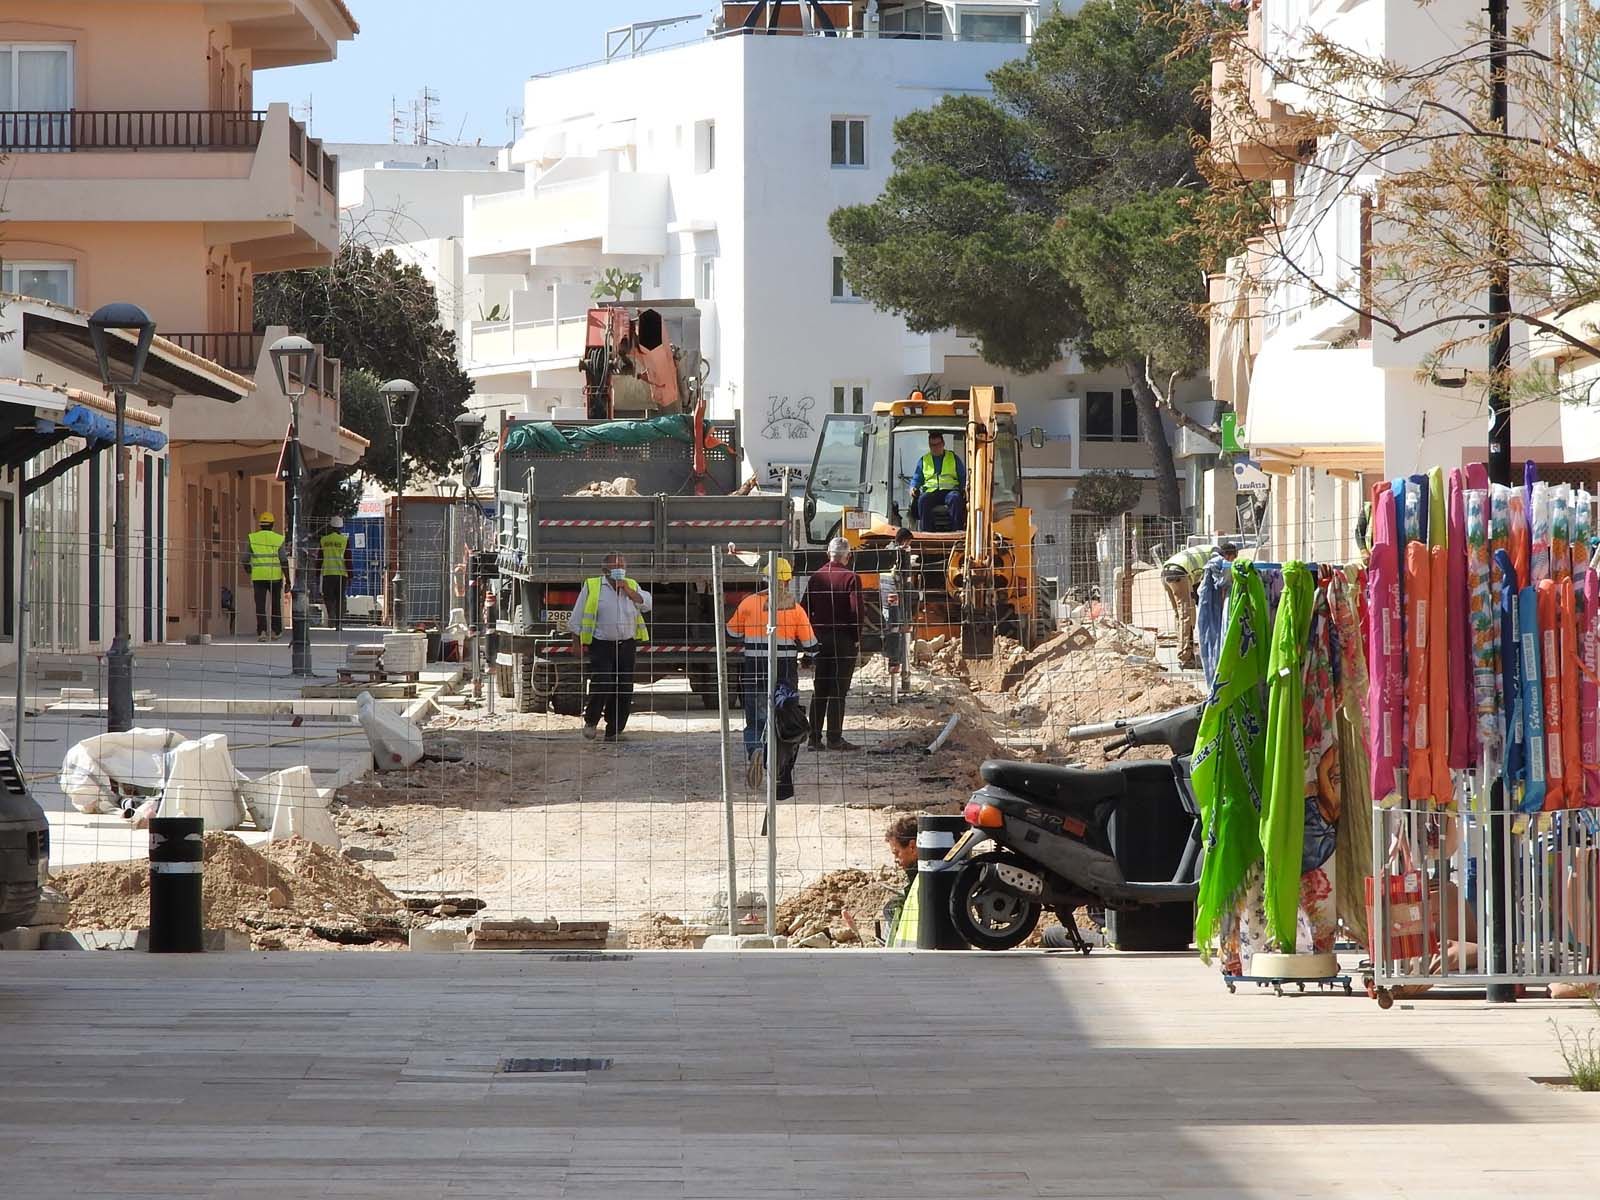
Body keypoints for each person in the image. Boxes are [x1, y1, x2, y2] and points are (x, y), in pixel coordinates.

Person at [726, 556, 819, 795]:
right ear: (787, 580)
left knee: (756, 717)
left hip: (754, 665)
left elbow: (732, 631)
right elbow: (810, 644)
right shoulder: (795, 608)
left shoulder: (749, 603)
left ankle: (755, 749)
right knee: (784, 716)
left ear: (765, 578)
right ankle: (776, 763)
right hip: (785, 668)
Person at [569, 553, 652, 742]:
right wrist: (576, 642)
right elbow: (577, 616)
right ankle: (591, 721)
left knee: (624, 687)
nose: (620, 569)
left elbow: (647, 604)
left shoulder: (631, 584)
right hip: (601, 644)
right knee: (603, 682)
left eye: (622, 565)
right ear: (605, 570)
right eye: (616, 565)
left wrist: (629, 591)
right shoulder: (593, 586)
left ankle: (614, 729)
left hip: (626, 644)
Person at [802, 537, 862, 751]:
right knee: (838, 691)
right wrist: (856, 639)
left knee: (820, 690)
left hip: (820, 639)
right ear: (848, 556)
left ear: (828, 554)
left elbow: (804, 609)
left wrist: (808, 641)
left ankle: (814, 739)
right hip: (844, 640)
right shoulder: (851, 578)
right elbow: (857, 612)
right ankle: (835, 738)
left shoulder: (816, 577)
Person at [1161, 541, 1231, 670]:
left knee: (1180, 616)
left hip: (1167, 572)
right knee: (1187, 616)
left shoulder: (1205, 556)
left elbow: (1199, 591)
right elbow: (1218, 579)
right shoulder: (1217, 554)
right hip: (1180, 574)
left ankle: (1186, 652)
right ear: (1228, 555)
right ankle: (1185, 658)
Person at [240, 511, 288, 643]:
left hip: (258, 576)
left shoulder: (252, 538)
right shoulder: (278, 539)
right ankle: (275, 631)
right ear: (272, 525)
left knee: (260, 605)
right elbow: (284, 560)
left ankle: (261, 632)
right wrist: (288, 580)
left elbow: (244, 558)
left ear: (260, 525)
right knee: (275, 605)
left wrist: (248, 568)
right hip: (275, 577)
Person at [909, 431, 966, 532]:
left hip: (949, 491)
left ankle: (957, 530)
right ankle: (927, 531)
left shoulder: (953, 458)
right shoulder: (924, 460)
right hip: (932, 492)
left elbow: (962, 476)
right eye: (932, 445)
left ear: (943, 444)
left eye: (938, 444)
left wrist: (965, 488)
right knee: (923, 500)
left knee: (956, 498)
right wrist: (913, 487)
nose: (935, 447)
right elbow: (917, 478)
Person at [882, 814, 922, 947]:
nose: (895, 860)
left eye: (897, 852)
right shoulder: (920, 878)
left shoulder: (923, 882)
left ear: (912, 847)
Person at [318, 516, 351, 632]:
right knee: (340, 599)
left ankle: (331, 613)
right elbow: (348, 558)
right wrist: (351, 575)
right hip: (341, 574)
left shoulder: (324, 540)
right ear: (341, 528)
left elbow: (319, 558)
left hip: (327, 573)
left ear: (331, 527)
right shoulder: (344, 540)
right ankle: (339, 623)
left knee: (328, 597)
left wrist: (317, 573)